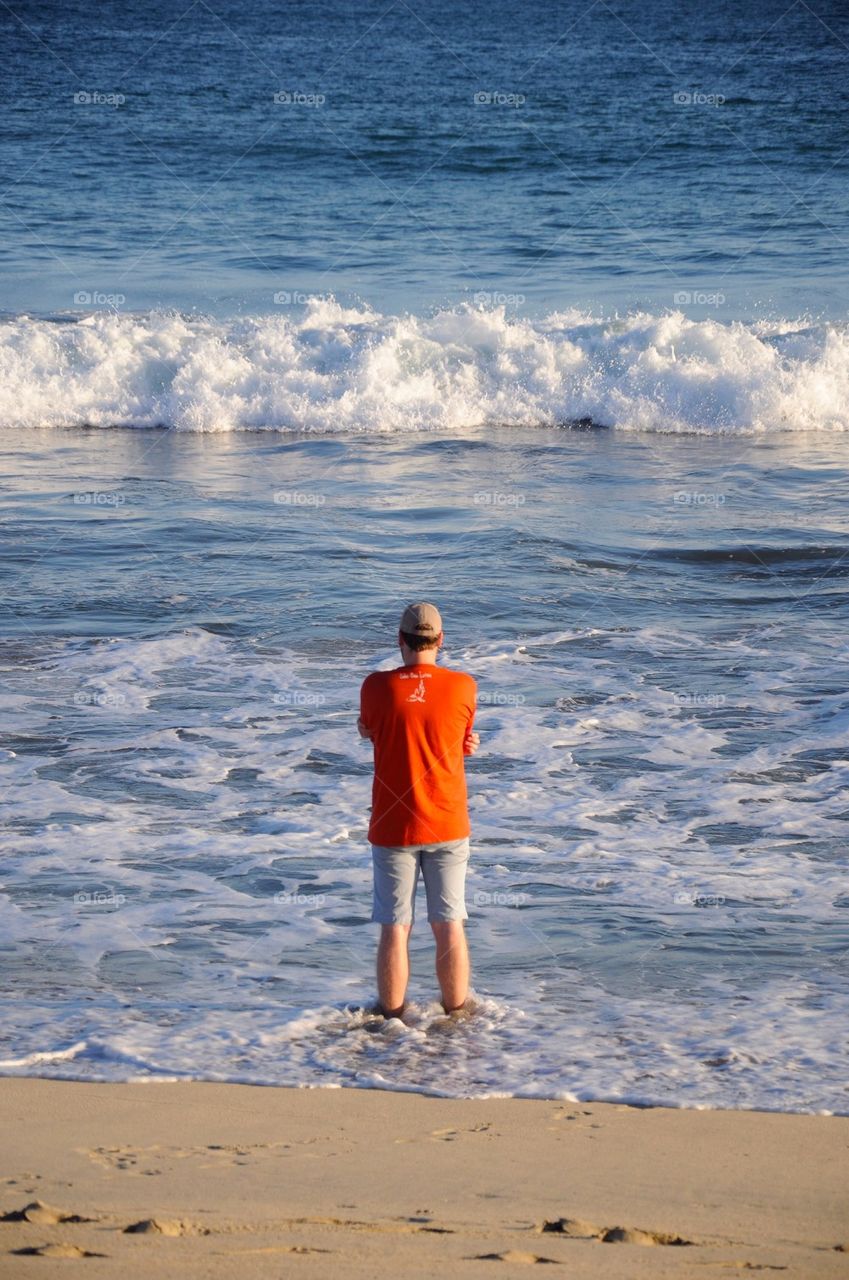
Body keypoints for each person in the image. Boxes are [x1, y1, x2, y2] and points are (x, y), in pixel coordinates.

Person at [358, 602, 480, 1018]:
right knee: (449, 926)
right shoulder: (463, 685)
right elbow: (461, 737)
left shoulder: (375, 687)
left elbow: (370, 729)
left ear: (400, 640)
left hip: (393, 826)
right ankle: (457, 1016)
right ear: (440, 640)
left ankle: (391, 1022)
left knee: (395, 928)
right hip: (447, 821)